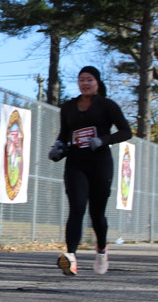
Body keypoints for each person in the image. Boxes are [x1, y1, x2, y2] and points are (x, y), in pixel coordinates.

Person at [47, 66, 132, 276]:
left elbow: (126, 132)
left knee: (97, 213)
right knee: (76, 208)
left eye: (89, 80)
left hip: (100, 163)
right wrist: (58, 148)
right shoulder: (68, 107)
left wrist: (103, 140)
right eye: (81, 80)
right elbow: (64, 133)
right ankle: (70, 257)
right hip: (76, 163)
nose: (85, 83)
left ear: (97, 82)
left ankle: (102, 250)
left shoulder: (107, 105)